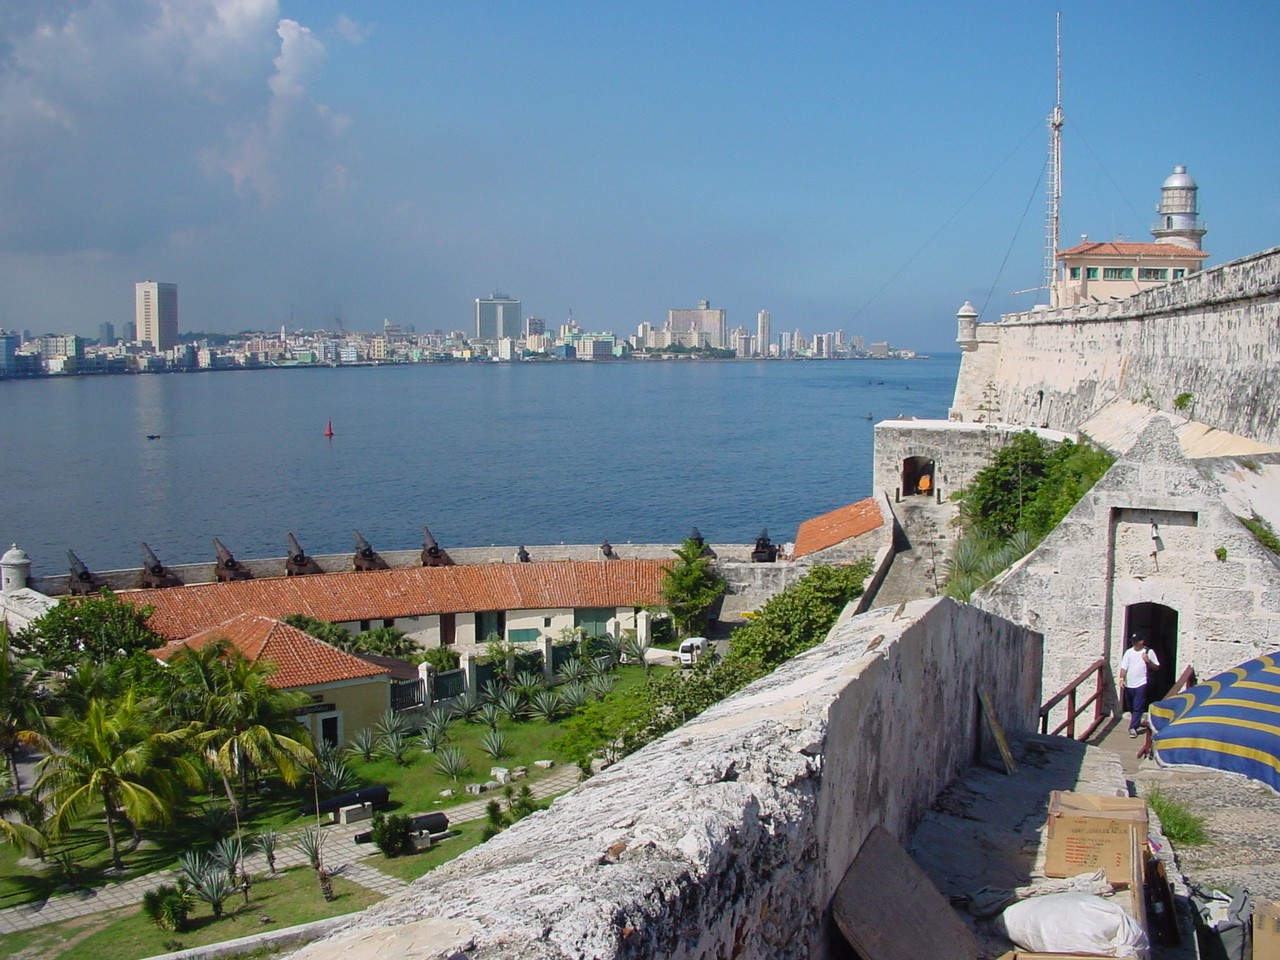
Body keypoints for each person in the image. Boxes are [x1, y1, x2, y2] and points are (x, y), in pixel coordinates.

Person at [1118, 633, 1160, 738]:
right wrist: (1121, 678)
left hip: (1142, 683)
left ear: (1141, 642)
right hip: (1129, 684)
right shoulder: (1129, 652)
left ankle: (1133, 728)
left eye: (1135, 641)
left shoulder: (1148, 652)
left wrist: (1148, 661)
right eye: (1132, 641)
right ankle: (1136, 720)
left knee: (1138, 706)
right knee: (1131, 706)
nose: (1134, 643)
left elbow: (1156, 667)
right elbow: (1124, 667)